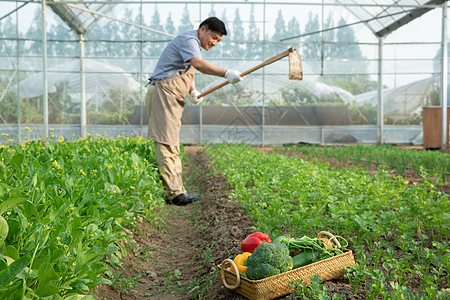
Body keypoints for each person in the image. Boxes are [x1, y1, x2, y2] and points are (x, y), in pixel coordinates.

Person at [146, 17, 243, 206]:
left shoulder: (193, 45)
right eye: (213, 37)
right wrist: (226, 73)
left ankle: (176, 190)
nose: (214, 43)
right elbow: (198, 65)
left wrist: (193, 91)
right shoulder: (189, 41)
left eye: (218, 41)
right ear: (202, 29)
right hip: (163, 92)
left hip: (170, 94)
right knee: (166, 142)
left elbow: (188, 70)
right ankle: (175, 194)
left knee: (171, 141)